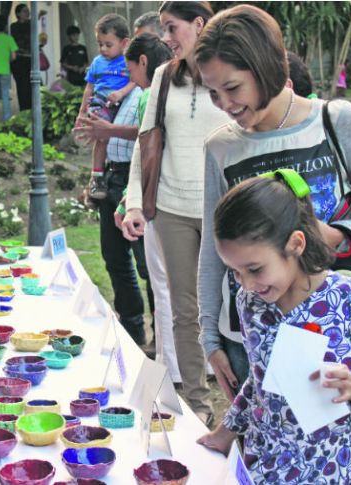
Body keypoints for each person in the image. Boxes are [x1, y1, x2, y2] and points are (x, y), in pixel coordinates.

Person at [194, 4, 351, 402]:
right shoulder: (220, 147)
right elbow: (214, 247)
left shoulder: (334, 121)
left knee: (330, 452)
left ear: (264, 68)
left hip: (328, 331)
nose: (224, 104)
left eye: (232, 87)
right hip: (248, 333)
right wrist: (210, 338)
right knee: (256, 450)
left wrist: (335, 234)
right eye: (212, 92)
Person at [196, 172, 351, 484]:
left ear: (295, 244)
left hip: (335, 466)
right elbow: (260, 379)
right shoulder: (251, 302)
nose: (247, 284)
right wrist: (226, 432)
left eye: (254, 269)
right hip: (270, 463)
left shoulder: (350, 296)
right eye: (235, 272)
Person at [122, 1, 229, 427]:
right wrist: (133, 203)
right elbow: (144, 145)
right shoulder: (165, 77)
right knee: (186, 312)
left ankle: (245, 405)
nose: (165, 37)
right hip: (172, 212)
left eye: (172, 28)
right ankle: (199, 409)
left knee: (235, 313)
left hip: (226, 213)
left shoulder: (229, 72)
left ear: (200, 25)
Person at [75, 32, 180, 382]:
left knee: (148, 266)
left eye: (128, 65)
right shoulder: (118, 90)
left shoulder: (155, 93)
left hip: (140, 186)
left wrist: (108, 130)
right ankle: (133, 332)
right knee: (114, 259)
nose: (124, 71)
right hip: (116, 176)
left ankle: (161, 341)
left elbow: (149, 137)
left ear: (141, 63)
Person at [77, 14, 136, 201]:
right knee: (101, 136)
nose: (103, 49)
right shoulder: (97, 62)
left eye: (108, 45)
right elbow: (89, 88)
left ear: (124, 42)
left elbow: (135, 81)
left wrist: (121, 93)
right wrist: (81, 112)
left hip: (123, 105)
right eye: (99, 44)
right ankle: (96, 177)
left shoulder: (129, 61)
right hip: (101, 102)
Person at [10, 4, 32, 111]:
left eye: (27, 11)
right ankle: (24, 110)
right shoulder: (14, 26)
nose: (27, 13)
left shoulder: (31, 24)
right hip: (19, 60)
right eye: (24, 11)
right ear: (18, 13)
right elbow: (18, 41)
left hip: (30, 59)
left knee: (31, 86)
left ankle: (32, 110)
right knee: (22, 86)